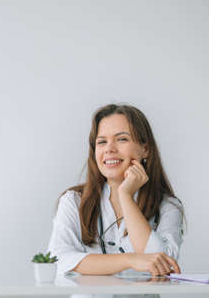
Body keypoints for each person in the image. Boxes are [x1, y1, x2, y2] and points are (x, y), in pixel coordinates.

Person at [47, 103, 185, 286]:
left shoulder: (168, 206)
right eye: (102, 142)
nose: (109, 149)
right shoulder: (74, 201)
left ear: (145, 149)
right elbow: (59, 259)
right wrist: (129, 260)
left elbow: (162, 264)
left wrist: (126, 196)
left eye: (122, 139)